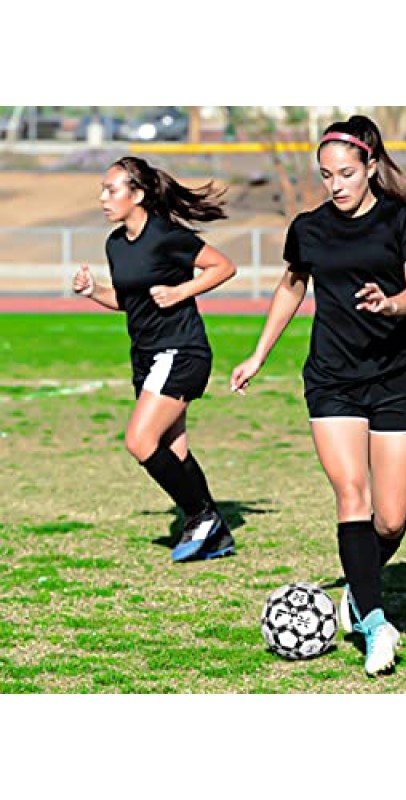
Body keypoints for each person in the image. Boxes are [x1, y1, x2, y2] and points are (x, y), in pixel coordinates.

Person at [230, 115, 406, 676]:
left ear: (371, 165)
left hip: (396, 378)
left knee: (390, 522)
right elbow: (292, 284)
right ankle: (375, 621)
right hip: (332, 379)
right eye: (326, 175)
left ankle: (355, 587)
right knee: (353, 496)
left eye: (346, 173)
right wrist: (258, 354)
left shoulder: (404, 219)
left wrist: (392, 303)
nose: (336, 185)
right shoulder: (309, 227)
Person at [72, 156, 237, 562]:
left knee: (140, 441)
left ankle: (201, 517)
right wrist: (94, 290)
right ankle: (215, 533)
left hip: (181, 351)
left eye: (112, 190)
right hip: (146, 356)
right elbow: (127, 303)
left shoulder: (166, 236)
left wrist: (181, 292)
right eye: (103, 189)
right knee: (173, 448)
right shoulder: (115, 244)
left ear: (138, 195)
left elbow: (224, 267)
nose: (103, 197)